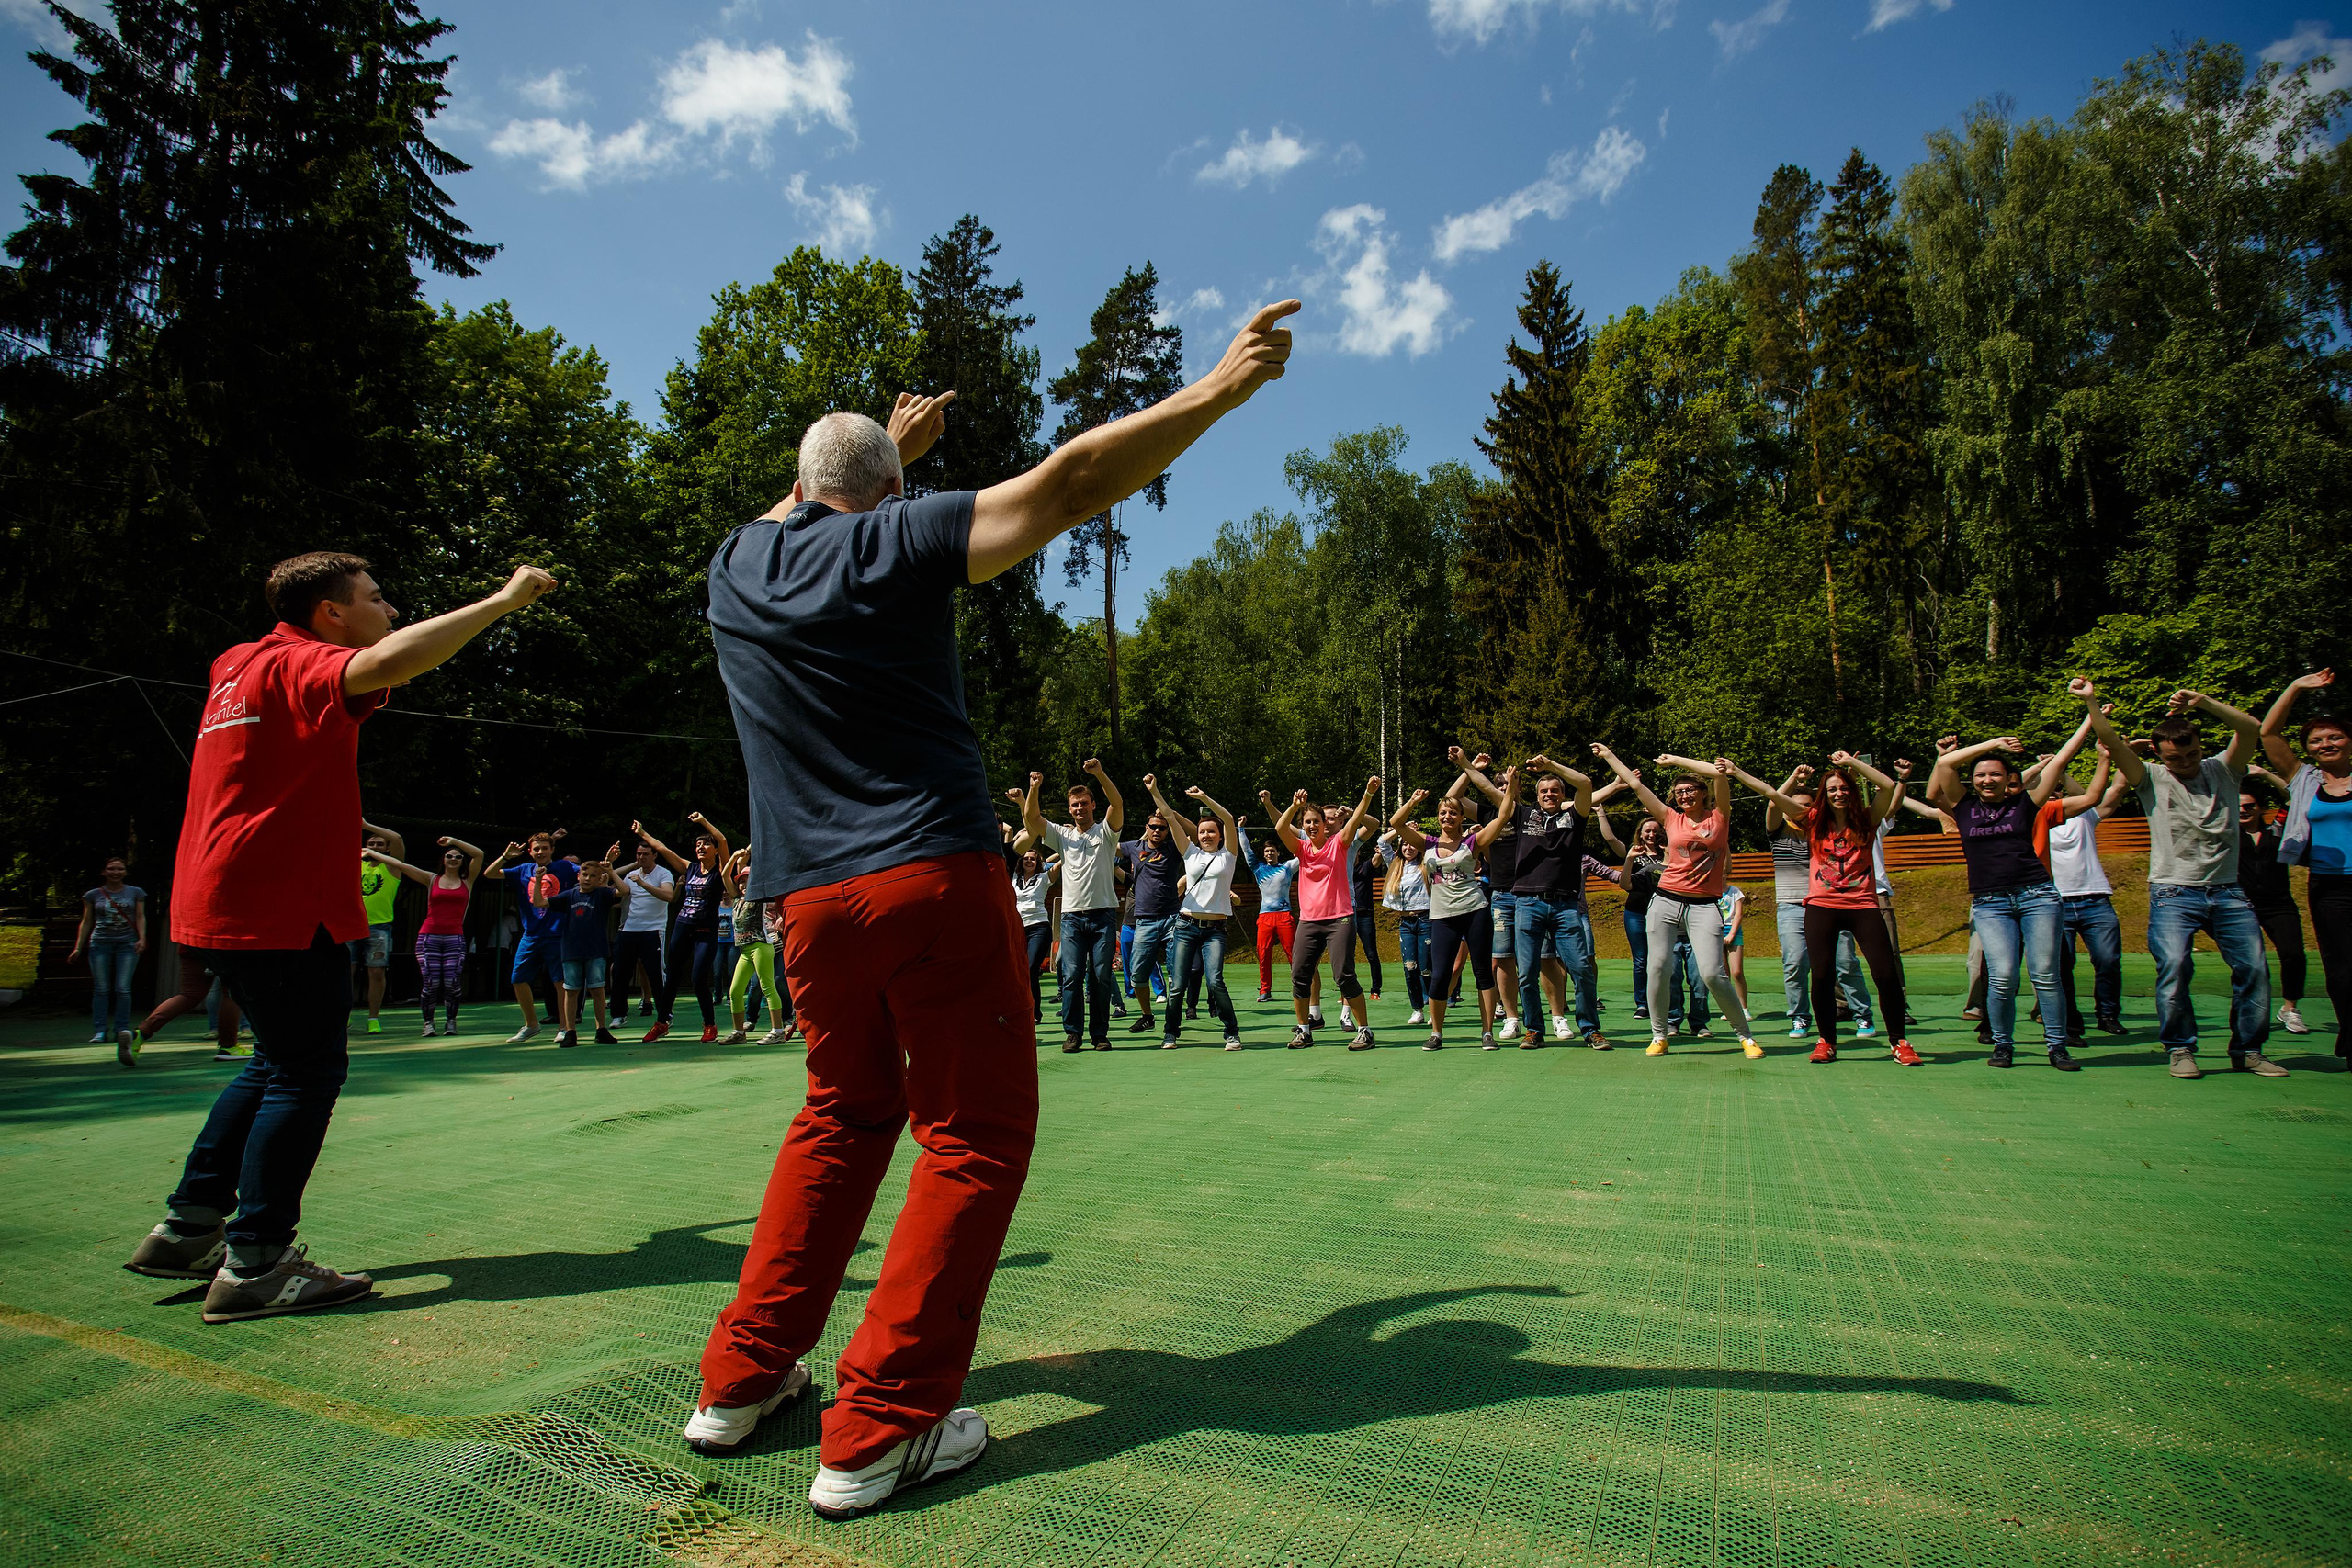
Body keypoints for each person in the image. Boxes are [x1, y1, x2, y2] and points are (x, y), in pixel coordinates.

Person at [690, 299, 1299, 1515]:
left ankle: (739, 1382)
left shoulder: (734, 564)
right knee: (970, 1136)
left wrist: (884, 452)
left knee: (839, 1115)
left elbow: (802, 499)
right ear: (889, 491)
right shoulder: (896, 538)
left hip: (802, 902)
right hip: (925, 874)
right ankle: (879, 1428)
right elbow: (1066, 484)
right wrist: (1217, 390)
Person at [121, 551, 555, 1320]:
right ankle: (257, 1262)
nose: (390, 610)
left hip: (216, 893)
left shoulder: (236, 664)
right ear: (330, 612)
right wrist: (505, 599)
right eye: (376, 597)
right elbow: (393, 660)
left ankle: (188, 1227)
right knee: (304, 1071)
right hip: (280, 902)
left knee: (274, 1059)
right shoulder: (302, 663)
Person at [2078, 678, 2284, 1077]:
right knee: (2174, 967)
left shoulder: (2225, 770)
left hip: (2228, 891)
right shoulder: (2150, 777)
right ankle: (2180, 1049)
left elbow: (2250, 728)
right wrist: (2091, 701)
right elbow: (2112, 741)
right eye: (2175, 758)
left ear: (2201, 747)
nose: (2185, 763)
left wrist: (2203, 701)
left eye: (2191, 754)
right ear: (2159, 754)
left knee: (2254, 969)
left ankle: (2249, 1050)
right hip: (2173, 892)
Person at [1925, 720, 2096, 1070]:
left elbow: (2061, 760)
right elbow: (1944, 764)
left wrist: (2091, 719)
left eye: (1995, 774)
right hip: (1990, 903)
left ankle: (2057, 1047)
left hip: (2037, 896)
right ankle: (2003, 1045)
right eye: (1980, 775)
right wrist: (1993, 743)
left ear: (2009, 780)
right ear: (1972, 780)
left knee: (2045, 974)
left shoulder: (2025, 804)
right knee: (2002, 976)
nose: (1987, 780)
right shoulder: (1963, 806)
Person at [1727, 755, 1918, 1066]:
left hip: (1863, 905)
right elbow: (1770, 793)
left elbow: (1887, 786)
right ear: (1823, 795)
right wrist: (1736, 772)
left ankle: (1899, 1041)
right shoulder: (1813, 820)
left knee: (1886, 975)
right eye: (1832, 789)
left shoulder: (1867, 819)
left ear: (1852, 791)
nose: (1839, 793)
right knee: (1822, 976)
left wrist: (1852, 764)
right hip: (1821, 907)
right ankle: (1827, 1041)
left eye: (1844, 788)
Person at [1589, 746, 1764, 1059]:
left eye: (1690, 790)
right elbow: (1636, 785)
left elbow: (1720, 773)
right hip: (1666, 901)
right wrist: (1609, 756)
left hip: (1704, 905)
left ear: (1703, 793)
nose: (1684, 795)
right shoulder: (1670, 818)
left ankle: (1745, 1036)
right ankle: (1659, 1035)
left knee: (1712, 973)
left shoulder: (1720, 816)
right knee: (1657, 967)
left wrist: (1676, 762)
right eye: (1679, 792)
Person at [2262, 670, 2351, 1059]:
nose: (2326, 743)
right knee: (2341, 968)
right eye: (2317, 740)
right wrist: (2295, 686)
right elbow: (2268, 733)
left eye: (2335, 737)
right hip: (2330, 887)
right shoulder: (2304, 780)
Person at [1493, 754, 1605, 1048]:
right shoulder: (1524, 815)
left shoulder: (1574, 817)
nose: (1549, 795)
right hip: (1528, 903)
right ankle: (1534, 1030)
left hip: (1565, 905)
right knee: (1527, 972)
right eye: (1544, 791)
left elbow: (1586, 784)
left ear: (1563, 794)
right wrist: (1475, 769)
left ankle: (1590, 1029)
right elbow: (1493, 795)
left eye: (1555, 790)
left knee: (1581, 969)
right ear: (1537, 795)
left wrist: (1552, 767)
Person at [1388, 781, 1510, 1050]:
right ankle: (1436, 1033)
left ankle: (1487, 1033)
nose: (1448, 817)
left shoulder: (1472, 842)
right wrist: (1413, 801)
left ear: (1462, 817)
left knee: (1483, 973)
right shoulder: (1427, 843)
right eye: (1443, 813)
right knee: (1441, 975)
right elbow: (1396, 823)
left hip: (1475, 912)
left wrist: (1510, 788)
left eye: (1453, 812)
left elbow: (1503, 816)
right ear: (1438, 817)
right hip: (1442, 917)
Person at [1763, 765, 1874, 1041]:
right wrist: (1793, 778)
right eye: (1796, 806)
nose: (1801, 810)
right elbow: (1773, 800)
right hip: (1791, 906)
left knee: (1845, 962)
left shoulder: (1824, 831)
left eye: (1808, 805)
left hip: (1830, 903)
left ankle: (1863, 1016)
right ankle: (1800, 1017)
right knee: (1795, 963)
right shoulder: (1778, 831)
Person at [1272, 780, 1382, 1050]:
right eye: (1307, 822)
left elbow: (1357, 819)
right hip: (1309, 921)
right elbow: (1280, 828)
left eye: (1316, 821)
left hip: (1339, 919)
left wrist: (1368, 793)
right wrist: (1294, 806)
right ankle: (1304, 1031)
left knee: (1343, 975)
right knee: (1299, 975)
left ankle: (1365, 1031)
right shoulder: (1301, 849)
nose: (1312, 826)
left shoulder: (1339, 843)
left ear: (1325, 824)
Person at [1023, 763, 1124, 1052]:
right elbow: (1032, 818)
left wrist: (1099, 774)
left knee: (1101, 976)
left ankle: (1099, 1035)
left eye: (1084, 803)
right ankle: (1073, 1034)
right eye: (1074, 805)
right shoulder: (1062, 836)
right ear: (1069, 809)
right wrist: (1033, 788)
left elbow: (1117, 803)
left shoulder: (1106, 832)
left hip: (1103, 915)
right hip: (1072, 918)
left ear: (1093, 805)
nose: (1079, 808)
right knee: (1071, 976)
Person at [2044, 742, 2132, 1043]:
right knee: (2061, 966)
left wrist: (2110, 755)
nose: (2053, 794)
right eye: (2048, 790)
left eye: (2058, 790)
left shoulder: (2084, 816)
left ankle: (2108, 1014)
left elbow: (2114, 789)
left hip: (2095, 899)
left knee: (2108, 960)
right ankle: (2069, 1024)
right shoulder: (2033, 821)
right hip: (2055, 902)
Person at [1151, 781, 1242, 1050]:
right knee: (1177, 985)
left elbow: (1228, 818)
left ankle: (1232, 1033)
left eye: (1211, 831)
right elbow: (1169, 817)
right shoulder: (1190, 853)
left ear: (1220, 835)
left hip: (1215, 931)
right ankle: (1170, 1033)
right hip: (1185, 926)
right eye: (1202, 832)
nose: (1206, 835)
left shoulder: (1229, 856)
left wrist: (1204, 798)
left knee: (1215, 982)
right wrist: (1154, 790)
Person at [362, 835, 482, 1036]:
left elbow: (479, 855)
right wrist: (371, 853)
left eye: (458, 857)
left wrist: (454, 841)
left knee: (452, 982)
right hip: (428, 938)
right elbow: (400, 864)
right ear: (443, 860)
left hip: (455, 939)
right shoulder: (431, 879)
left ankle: (451, 1021)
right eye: (449, 856)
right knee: (431, 982)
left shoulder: (467, 881)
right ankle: (428, 1023)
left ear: (462, 861)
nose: (453, 859)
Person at [634, 813, 730, 1043]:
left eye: (706, 844)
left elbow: (723, 840)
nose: (701, 847)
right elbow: (664, 849)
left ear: (716, 851)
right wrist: (642, 833)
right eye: (698, 844)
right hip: (682, 926)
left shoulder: (720, 871)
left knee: (698, 979)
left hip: (706, 931)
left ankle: (710, 1025)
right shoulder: (690, 868)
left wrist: (703, 822)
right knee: (672, 978)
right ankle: (661, 1023)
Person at [482, 831, 576, 1044]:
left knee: (560, 982)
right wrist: (505, 856)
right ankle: (531, 1024)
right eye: (537, 849)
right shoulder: (522, 870)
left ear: (552, 850)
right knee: (518, 978)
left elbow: (592, 873)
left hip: (557, 933)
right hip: (531, 934)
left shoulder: (565, 867)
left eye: (545, 848)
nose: (541, 852)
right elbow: (490, 873)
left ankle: (564, 1027)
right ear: (530, 852)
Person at [2240, 772, 2311, 1038]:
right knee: (2252, 962)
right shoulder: (2227, 832)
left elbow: (2293, 795)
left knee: (2293, 955)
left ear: (2260, 808)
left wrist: (2263, 773)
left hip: (2279, 904)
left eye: (2249, 806)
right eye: (2238, 806)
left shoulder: (2277, 830)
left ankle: (2290, 1008)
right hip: (2241, 905)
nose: (2243, 811)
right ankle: (2253, 1012)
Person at [1121, 778, 1188, 1035]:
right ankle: (1147, 1016)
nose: (1157, 831)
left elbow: (1193, 833)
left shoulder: (1173, 849)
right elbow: (1106, 847)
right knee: (1137, 976)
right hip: (1144, 921)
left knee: (1176, 975)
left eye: (1162, 827)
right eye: (1153, 827)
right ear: (1146, 828)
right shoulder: (1133, 847)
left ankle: (1172, 1021)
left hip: (1172, 919)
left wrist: (1170, 813)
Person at [71, 855, 146, 1059]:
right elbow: (87, 921)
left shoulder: (136, 892)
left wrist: (142, 938)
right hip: (100, 943)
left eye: (120, 869)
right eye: (111, 868)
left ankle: (121, 1030)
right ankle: (100, 1030)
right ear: (103, 872)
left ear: (125, 872)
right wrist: (78, 947)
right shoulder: (93, 895)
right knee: (101, 989)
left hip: (127, 943)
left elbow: (140, 917)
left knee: (123, 988)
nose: (116, 872)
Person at [129, 944, 245, 1065]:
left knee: (190, 995)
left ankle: (140, 1034)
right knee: (232, 992)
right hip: (223, 946)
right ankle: (229, 1047)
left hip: (191, 945)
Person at [349, 822, 406, 1036]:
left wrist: (364, 824)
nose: (374, 847)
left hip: (379, 927)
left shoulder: (392, 867)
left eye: (380, 844)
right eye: (371, 843)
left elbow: (397, 839)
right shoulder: (356, 865)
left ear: (387, 849)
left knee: (376, 972)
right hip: (352, 925)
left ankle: (373, 1018)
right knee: (346, 972)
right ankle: (345, 1013)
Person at [614, 840, 676, 1021]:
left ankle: (665, 1014)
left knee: (656, 974)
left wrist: (642, 884)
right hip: (628, 930)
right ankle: (618, 1014)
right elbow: (615, 890)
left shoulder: (663, 874)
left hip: (653, 930)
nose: (641, 857)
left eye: (646, 854)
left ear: (655, 856)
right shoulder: (631, 874)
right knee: (619, 972)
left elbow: (668, 896)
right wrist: (610, 869)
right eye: (639, 854)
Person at [1239, 816, 1298, 1003]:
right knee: (1264, 955)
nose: (1269, 853)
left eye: (1272, 850)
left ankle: (1300, 987)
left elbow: (1305, 852)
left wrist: (1303, 834)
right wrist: (1241, 829)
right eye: (1266, 851)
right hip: (1265, 917)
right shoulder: (1258, 869)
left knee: (1293, 954)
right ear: (1264, 854)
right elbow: (1246, 850)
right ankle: (1265, 990)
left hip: (1284, 915)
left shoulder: (1287, 867)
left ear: (1278, 852)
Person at [1384, 829, 1430, 1025]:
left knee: (1427, 968)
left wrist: (1414, 833)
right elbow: (1382, 842)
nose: (1408, 847)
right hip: (1406, 923)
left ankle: (1434, 1007)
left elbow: (1435, 846)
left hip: (1426, 920)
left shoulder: (1426, 864)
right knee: (1410, 967)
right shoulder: (1395, 865)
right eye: (1404, 843)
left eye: (1412, 843)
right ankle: (1417, 1009)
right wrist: (1400, 829)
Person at [1009, 844, 1057, 1025]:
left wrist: (1068, 846)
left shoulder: (1044, 878)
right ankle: (1021, 1010)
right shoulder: (1014, 878)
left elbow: (1063, 862)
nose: (1029, 861)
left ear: (1038, 863)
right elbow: (1009, 851)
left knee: (1030, 969)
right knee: (1018, 972)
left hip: (1038, 928)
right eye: (1026, 858)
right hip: (1017, 929)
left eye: (1033, 859)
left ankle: (1035, 1013)